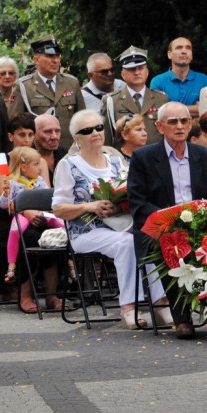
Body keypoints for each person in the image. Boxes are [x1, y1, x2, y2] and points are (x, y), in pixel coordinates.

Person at [128, 102, 207, 339]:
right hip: (160, 227)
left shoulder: (204, 156)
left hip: (199, 223)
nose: (180, 126)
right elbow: (139, 203)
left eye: (184, 121)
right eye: (173, 122)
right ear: (160, 126)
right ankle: (182, 319)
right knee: (171, 244)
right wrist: (172, 221)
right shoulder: (143, 157)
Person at [53, 109, 169, 328]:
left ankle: (161, 303)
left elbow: (133, 195)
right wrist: (89, 205)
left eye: (99, 127)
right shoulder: (68, 165)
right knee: (127, 244)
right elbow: (59, 208)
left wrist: (116, 207)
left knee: (148, 238)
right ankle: (128, 307)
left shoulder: (115, 161)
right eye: (87, 130)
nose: (96, 133)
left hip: (121, 224)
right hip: (86, 232)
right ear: (77, 138)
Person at [0, 146, 64, 296]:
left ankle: (70, 262)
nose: (39, 169)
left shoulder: (38, 181)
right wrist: (7, 194)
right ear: (23, 167)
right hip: (21, 217)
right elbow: (3, 204)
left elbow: (49, 198)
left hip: (42, 215)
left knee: (61, 227)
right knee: (18, 231)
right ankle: (12, 266)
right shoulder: (13, 182)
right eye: (36, 165)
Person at [8, 35, 85, 149]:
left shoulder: (71, 83)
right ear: (36, 60)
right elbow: (15, 125)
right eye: (49, 56)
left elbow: (82, 119)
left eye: (57, 56)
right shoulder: (23, 86)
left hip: (69, 150)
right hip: (38, 151)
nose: (55, 60)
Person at [101, 46, 169, 146]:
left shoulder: (161, 99)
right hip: (124, 159)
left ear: (147, 72)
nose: (137, 72)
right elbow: (107, 138)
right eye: (132, 69)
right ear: (123, 74)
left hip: (155, 158)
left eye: (140, 68)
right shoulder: (112, 101)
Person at [150, 37, 207, 118]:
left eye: (188, 48)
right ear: (169, 54)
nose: (184, 51)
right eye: (179, 48)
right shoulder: (158, 81)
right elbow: (158, 113)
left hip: (196, 130)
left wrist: (169, 108)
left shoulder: (203, 80)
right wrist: (195, 109)